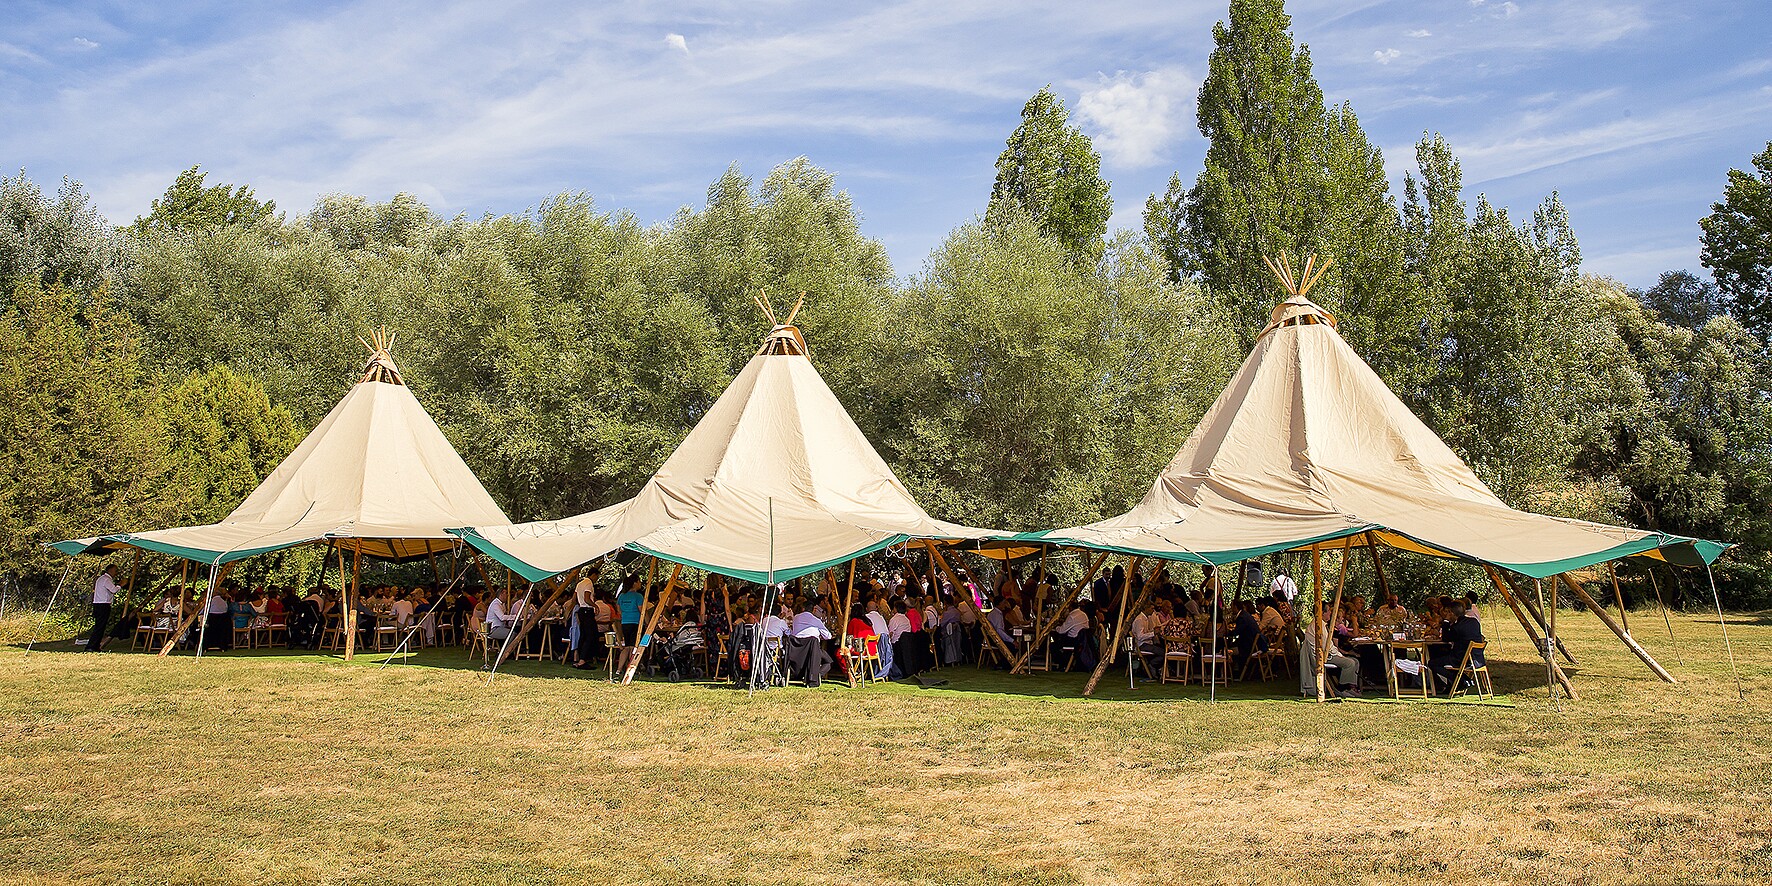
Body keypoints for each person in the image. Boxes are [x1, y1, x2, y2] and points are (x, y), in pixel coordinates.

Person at [1429, 600, 1485, 693]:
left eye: (1448, 612)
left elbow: (1446, 638)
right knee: (1443, 656)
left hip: (1462, 659)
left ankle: (1460, 681)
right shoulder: (1474, 622)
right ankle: (1463, 681)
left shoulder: (1457, 627)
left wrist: (1446, 621)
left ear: (1451, 613)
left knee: (1432, 662)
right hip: (1477, 658)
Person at [85, 565, 120, 652]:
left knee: (100, 626)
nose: (116, 573)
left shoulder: (101, 579)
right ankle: (91, 646)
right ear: (110, 570)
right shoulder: (106, 580)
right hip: (103, 605)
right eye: (115, 571)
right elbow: (114, 590)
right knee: (100, 626)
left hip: (98, 604)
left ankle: (95, 646)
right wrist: (120, 585)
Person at [615, 577, 644, 647]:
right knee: (634, 645)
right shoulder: (638, 596)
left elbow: (618, 609)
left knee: (627, 645)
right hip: (636, 622)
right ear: (634, 583)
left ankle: (625, 657)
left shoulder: (621, 596)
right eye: (639, 581)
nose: (640, 583)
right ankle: (633, 657)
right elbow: (642, 611)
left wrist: (625, 615)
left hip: (625, 623)